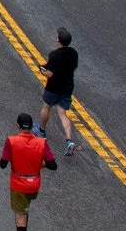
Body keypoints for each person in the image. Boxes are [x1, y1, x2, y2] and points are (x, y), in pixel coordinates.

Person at [0, 113, 58, 229]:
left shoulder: (11, 141)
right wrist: (39, 165)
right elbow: (53, 165)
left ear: (17, 125)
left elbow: (3, 164)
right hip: (34, 185)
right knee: (25, 208)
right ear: (32, 127)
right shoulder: (41, 142)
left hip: (18, 185)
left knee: (20, 216)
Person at [37, 28, 80, 156]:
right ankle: (68, 140)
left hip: (54, 87)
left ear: (58, 40)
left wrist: (41, 70)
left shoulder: (54, 55)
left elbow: (49, 74)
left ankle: (42, 131)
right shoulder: (74, 53)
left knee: (46, 107)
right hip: (67, 87)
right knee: (62, 114)